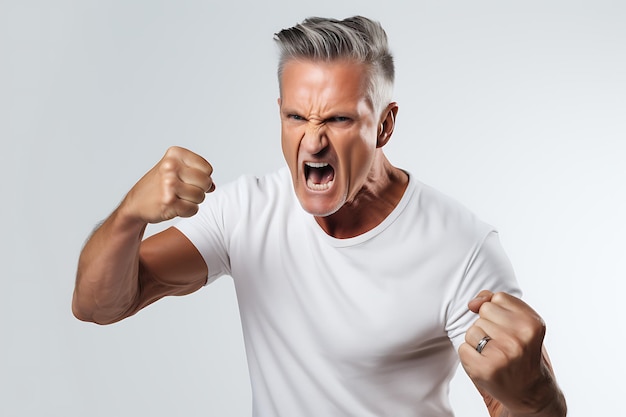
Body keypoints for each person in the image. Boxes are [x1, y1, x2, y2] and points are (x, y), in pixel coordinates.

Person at [73, 16, 566, 417]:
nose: (312, 141)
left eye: (338, 119)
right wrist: (129, 217)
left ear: (385, 124)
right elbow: (100, 305)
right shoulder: (246, 211)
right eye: (296, 117)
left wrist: (538, 399)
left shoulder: (461, 246)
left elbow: (514, 405)